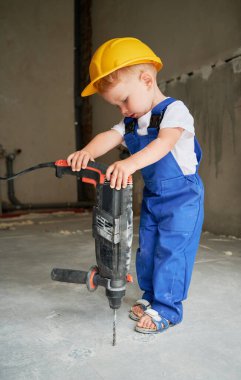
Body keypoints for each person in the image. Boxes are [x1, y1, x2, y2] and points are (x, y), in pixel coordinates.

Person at [67, 37, 204, 334]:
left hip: (183, 197)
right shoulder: (131, 122)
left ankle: (168, 310)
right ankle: (151, 296)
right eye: (116, 104)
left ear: (146, 80)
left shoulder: (174, 112)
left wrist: (129, 164)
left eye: (124, 100)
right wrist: (87, 152)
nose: (123, 110)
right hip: (155, 197)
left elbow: (164, 144)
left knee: (172, 250)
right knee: (148, 250)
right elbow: (109, 136)